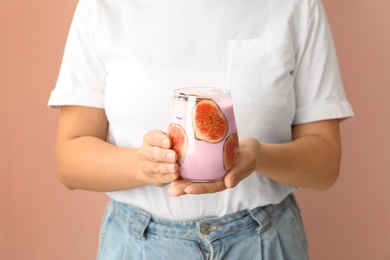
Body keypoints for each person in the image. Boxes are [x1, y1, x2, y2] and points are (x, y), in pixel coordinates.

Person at [48, 0, 354, 259]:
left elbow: (325, 164)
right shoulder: (102, 7)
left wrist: (259, 157)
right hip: (139, 244)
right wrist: (143, 166)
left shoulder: (296, 5)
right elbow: (70, 159)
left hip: (263, 242)